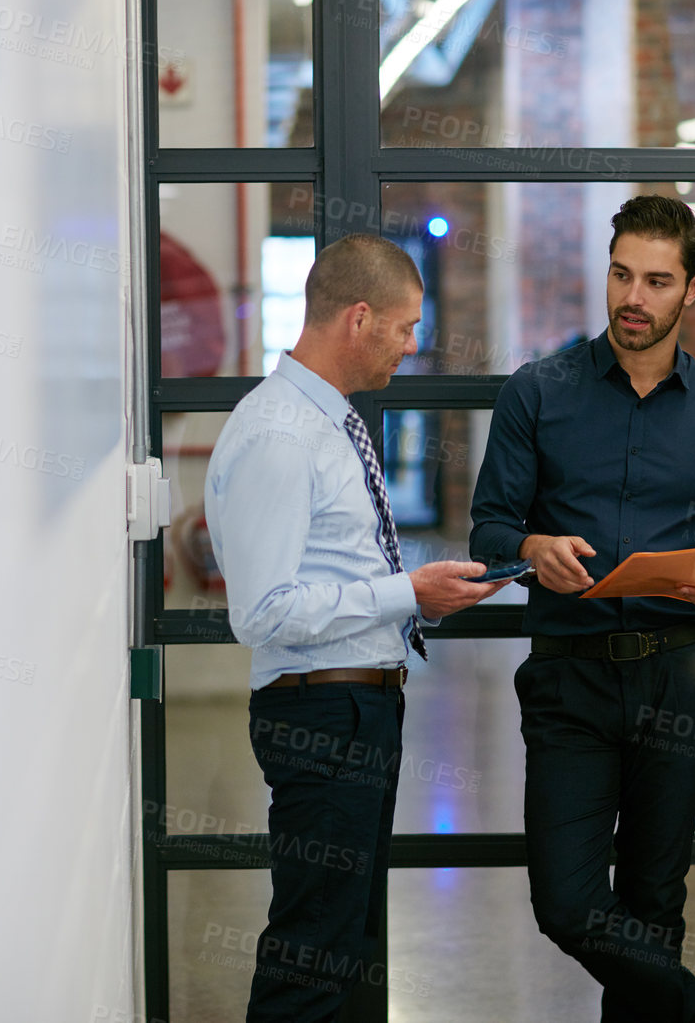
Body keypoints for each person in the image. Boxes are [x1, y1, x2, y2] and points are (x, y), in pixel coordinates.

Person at [470, 195, 695, 1023]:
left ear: (693, 288)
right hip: (568, 680)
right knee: (568, 904)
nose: (632, 298)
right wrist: (531, 549)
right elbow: (491, 525)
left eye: (655, 280)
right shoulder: (537, 393)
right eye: (619, 274)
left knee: (654, 905)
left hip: (679, 676)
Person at [204, 232, 505, 1023]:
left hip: (356, 709)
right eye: (406, 329)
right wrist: (403, 590)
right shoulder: (280, 434)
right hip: (321, 715)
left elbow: (331, 575)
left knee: (347, 951)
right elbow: (262, 610)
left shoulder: (329, 421)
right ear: (359, 318)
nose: (413, 346)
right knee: (313, 956)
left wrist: (413, 598)